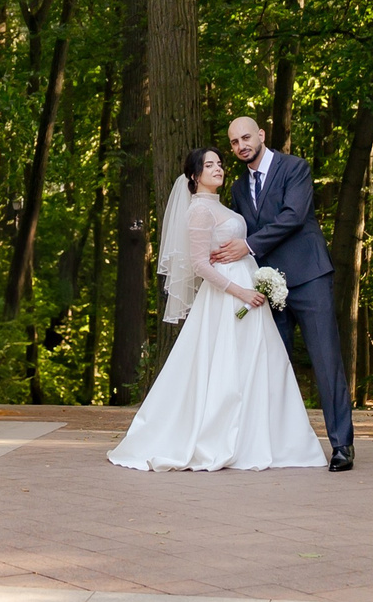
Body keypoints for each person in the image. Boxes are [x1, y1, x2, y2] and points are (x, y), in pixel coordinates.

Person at [107, 148, 330, 473]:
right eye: (209, 165)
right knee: (227, 368)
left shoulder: (219, 206)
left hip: (247, 293)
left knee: (258, 366)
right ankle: (224, 439)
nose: (218, 169)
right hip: (227, 297)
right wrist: (241, 291)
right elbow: (199, 265)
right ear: (195, 177)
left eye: (220, 164)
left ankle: (263, 439)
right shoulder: (198, 211)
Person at [214, 115, 355, 471]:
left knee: (326, 362)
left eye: (246, 137)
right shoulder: (236, 189)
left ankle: (342, 445)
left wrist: (246, 246)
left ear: (261, 135)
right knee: (272, 366)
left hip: (309, 278)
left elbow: (294, 216)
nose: (241, 145)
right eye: (234, 142)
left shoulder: (295, 168)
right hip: (266, 286)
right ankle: (279, 445)